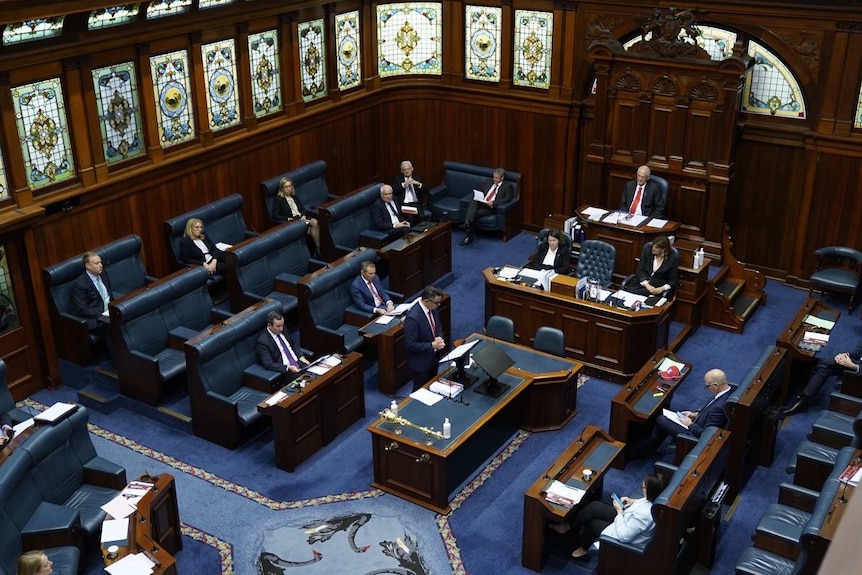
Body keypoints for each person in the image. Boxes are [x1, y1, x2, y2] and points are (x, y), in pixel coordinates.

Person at [630, 369, 730, 458]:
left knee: (661, 420)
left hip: (693, 436)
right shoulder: (727, 392)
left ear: (716, 386)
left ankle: (639, 452)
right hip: (696, 423)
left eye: (707, 386)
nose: (707, 389)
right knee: (665, 415)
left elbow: (706, 435)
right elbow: (710, 411)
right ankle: (648, 444)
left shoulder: (719, 408)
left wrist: (690, 424)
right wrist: (695, 414)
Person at [563, 474, 664, 560]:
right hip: (626, 519)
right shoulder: (653, 498)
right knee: (595, 506)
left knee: (593, 524)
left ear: (651, 491)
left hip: (623, 532)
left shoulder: (644, 515)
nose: (642, 487)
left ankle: (584, 549)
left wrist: (619, 512)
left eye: (643, 487)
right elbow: (645, 501)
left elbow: (624, 536)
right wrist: (632, 501)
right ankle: (569, 526)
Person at [782, 341, 862, 415]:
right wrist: (845, 355)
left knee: (826, 363)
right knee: (825, 368)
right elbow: (858, 351)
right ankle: (802, 401)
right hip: (857, 363)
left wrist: (854, 366)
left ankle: (802, 401)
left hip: (858, 371)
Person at [404, 285, 445, 392]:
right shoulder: (413, 318)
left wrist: (439, 337)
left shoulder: (432, 308)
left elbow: (438, 325)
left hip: (433, 358)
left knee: (432, 386)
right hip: (420, 363)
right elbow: (411, 345)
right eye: (437, 303)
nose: (439, 305)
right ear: (427, 301)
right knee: (420, 392)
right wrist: (432, 345)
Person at [460, 167, 515, 246]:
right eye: (493, 177)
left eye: (496, 178)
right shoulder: (489, 181)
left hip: (491, 207)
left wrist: (494, 202)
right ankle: (468, 223)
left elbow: (507, 199)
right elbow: (482, 190)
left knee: (473, 214)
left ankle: (468, 233)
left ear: (502, 177)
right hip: (482, 202)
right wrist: (479, 196)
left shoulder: (507, 186)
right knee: (474, 201)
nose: (494, 179)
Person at [255, 311, 310, 383]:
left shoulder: (283, 329)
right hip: (287, 371)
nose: (281, 329)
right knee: (307, 382)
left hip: (299, 363)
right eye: (278, 326)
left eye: (282, 325)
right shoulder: (262, 342)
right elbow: (268, 364)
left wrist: (301, 356)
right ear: (269, 325)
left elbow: (293, 344)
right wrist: (288, 367)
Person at [271, 177, 321, 255]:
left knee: (315, 222)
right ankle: (317, 250)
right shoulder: (278, 200)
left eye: (290, 186)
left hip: (301, 218)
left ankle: (318, 250)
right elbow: (275, 215)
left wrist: (304, 215)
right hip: (293, 221)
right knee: (313, 227)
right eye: (286, 187)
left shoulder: (294, 196)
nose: (288, 189)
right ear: (282, 188)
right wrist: (288, 218)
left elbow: (302, 208)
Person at [71, 252, 112, 331]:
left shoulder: (103, 274)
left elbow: (108, 294)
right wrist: (102, 315)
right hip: (95, 318)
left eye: (100, 262)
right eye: (97, 263)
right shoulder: (80, 284)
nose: (101, 265)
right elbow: (82, 309)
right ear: (88, 266)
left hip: (109, 311)